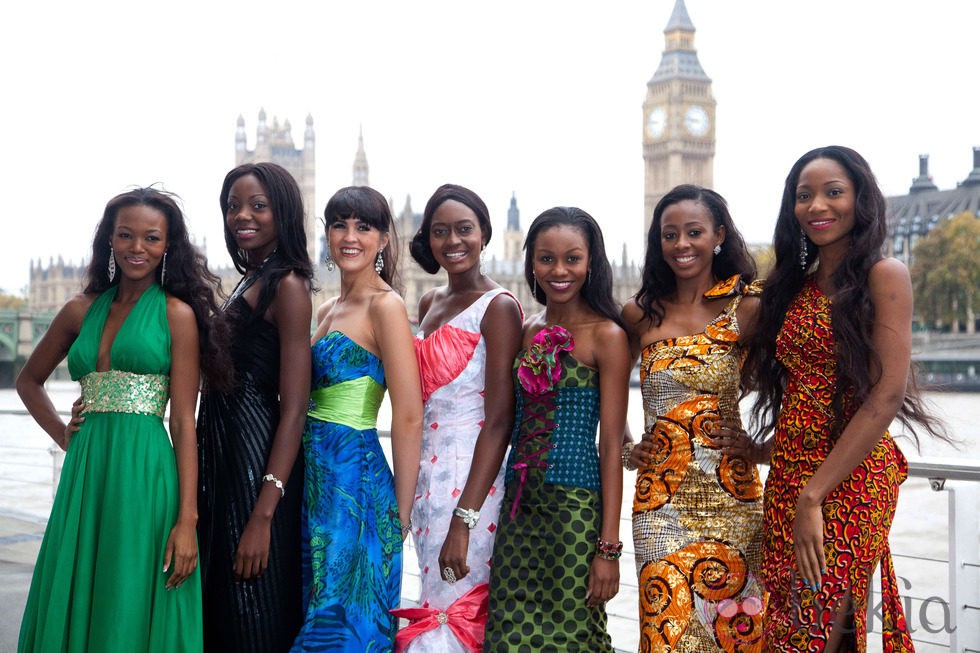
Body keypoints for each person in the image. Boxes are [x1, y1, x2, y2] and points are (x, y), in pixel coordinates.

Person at [744, 146, 948, 652]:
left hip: (849, 477)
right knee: (785, 628)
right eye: (804, 196)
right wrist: (758, 449)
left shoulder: (885, 275)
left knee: (813, 630)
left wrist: (813, 494)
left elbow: (886, 395)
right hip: (790, 475)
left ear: (860, 200)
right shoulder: (792, 287)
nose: (817, 206)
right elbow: (800, 394)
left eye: (833, 193)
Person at [17, 187, 232, 652]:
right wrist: (65, 437)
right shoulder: (80, 310)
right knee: (81, 582)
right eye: (126, 236)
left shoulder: (177, 316)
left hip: (146, 474)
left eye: (152, 238)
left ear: (168, 245)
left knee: (131, 589)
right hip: (86, 471)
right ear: (109, 241)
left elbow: (183, 425)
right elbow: (29, 381)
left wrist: (187, 520)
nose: (138, 248)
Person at [623, 185, 767, 652]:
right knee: (667, 636)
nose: (682, 244)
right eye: (670, 234)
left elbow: (803, 387)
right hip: (659, 507)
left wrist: (759, 447)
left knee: (737, 637)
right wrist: (628, 448)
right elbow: (599, 395)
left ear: (719, 235)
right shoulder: (639, 314)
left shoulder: (748, 308)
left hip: (733, 501)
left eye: (694, 232)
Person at [484, 206, 630, 652]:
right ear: (530, 262)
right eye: (546, 258)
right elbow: (503, 422)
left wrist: (607, 549)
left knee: (572, 636)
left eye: (572, 258)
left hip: (574, 512)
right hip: (518, 509)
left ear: (592, 263)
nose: (559, 270)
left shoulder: (608, 336)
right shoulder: (527, 330)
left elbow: (610, 446)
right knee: (508, 634)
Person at [391, 184, 523, 652]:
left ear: (484, 234)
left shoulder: (500, 307)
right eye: (440, 232)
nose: (453, 241)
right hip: (428, 476)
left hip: (472, 479)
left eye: (464, 229)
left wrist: (464, 520)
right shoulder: (428, 303)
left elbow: (500, 420)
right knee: (432, 595)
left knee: (460, 604)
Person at [292, 186, 423, 652]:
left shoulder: (385, 306)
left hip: (358, 489)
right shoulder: (327, 309)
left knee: (342, 628)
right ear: (325, 234)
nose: (350, 237)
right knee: (316, 610)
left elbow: (408, 414)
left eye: (363, 227)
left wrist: (401, 515)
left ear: (384, 239)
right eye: (339, 225)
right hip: (316, 483)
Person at [197, 162, 313, 653]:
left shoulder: (286, 284)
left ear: (282, 211)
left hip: (255, 463)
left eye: (257, 206)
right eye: (232, 206)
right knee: (223, 611)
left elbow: (294, 408)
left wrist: (264, 514)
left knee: (253, 616)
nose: (242, 215)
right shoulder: (250, 279)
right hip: (224, 458)